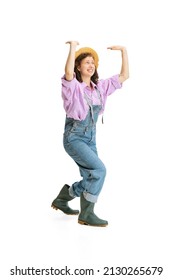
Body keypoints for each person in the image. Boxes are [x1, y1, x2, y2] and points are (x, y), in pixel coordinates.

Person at [51, 41, 129, 227]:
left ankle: (61, 200)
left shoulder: (100, 87)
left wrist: (124, 51)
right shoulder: (73, 87)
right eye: (86, 62)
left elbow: (124, 75)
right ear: (78, 66)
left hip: (91, 138)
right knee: (100, 171)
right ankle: (87, 214)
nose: (91, 65)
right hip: (74, 137)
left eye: (93, 62)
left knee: (91, 176)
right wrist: (72, 48)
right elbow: (68, 73)